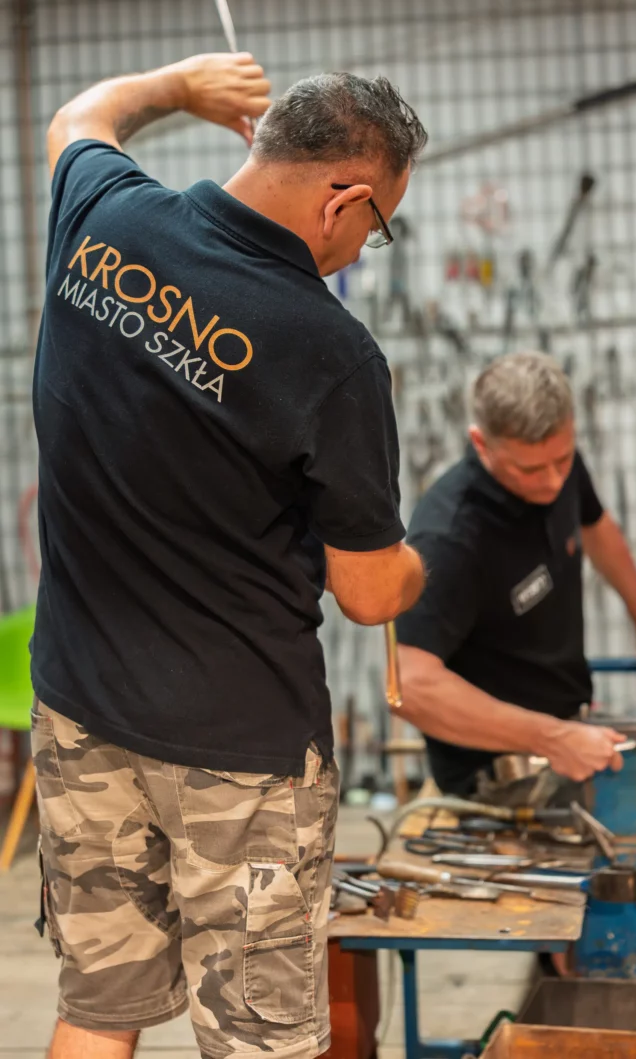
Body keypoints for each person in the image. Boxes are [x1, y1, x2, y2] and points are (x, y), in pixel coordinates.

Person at [31, 52, 426, 1059]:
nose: (364, 247)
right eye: (378, 225)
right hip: (238, 756)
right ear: (343, 200)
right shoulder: (332, 353)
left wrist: (182, 86)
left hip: (81, 710)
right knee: (259, 1038)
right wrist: (419, 561)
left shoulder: (107, 218)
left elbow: (81, 115)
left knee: (98, 1007)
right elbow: (371, 592)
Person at [395, 351, 636, 799]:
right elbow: (408, 685)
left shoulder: (557, 464)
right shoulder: (450, 539)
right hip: (499, 772)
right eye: (528, 469)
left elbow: (597, 527)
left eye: (562, 461)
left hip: (567, 729)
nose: (552, 482)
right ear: (481, 442)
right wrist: (551, 738)